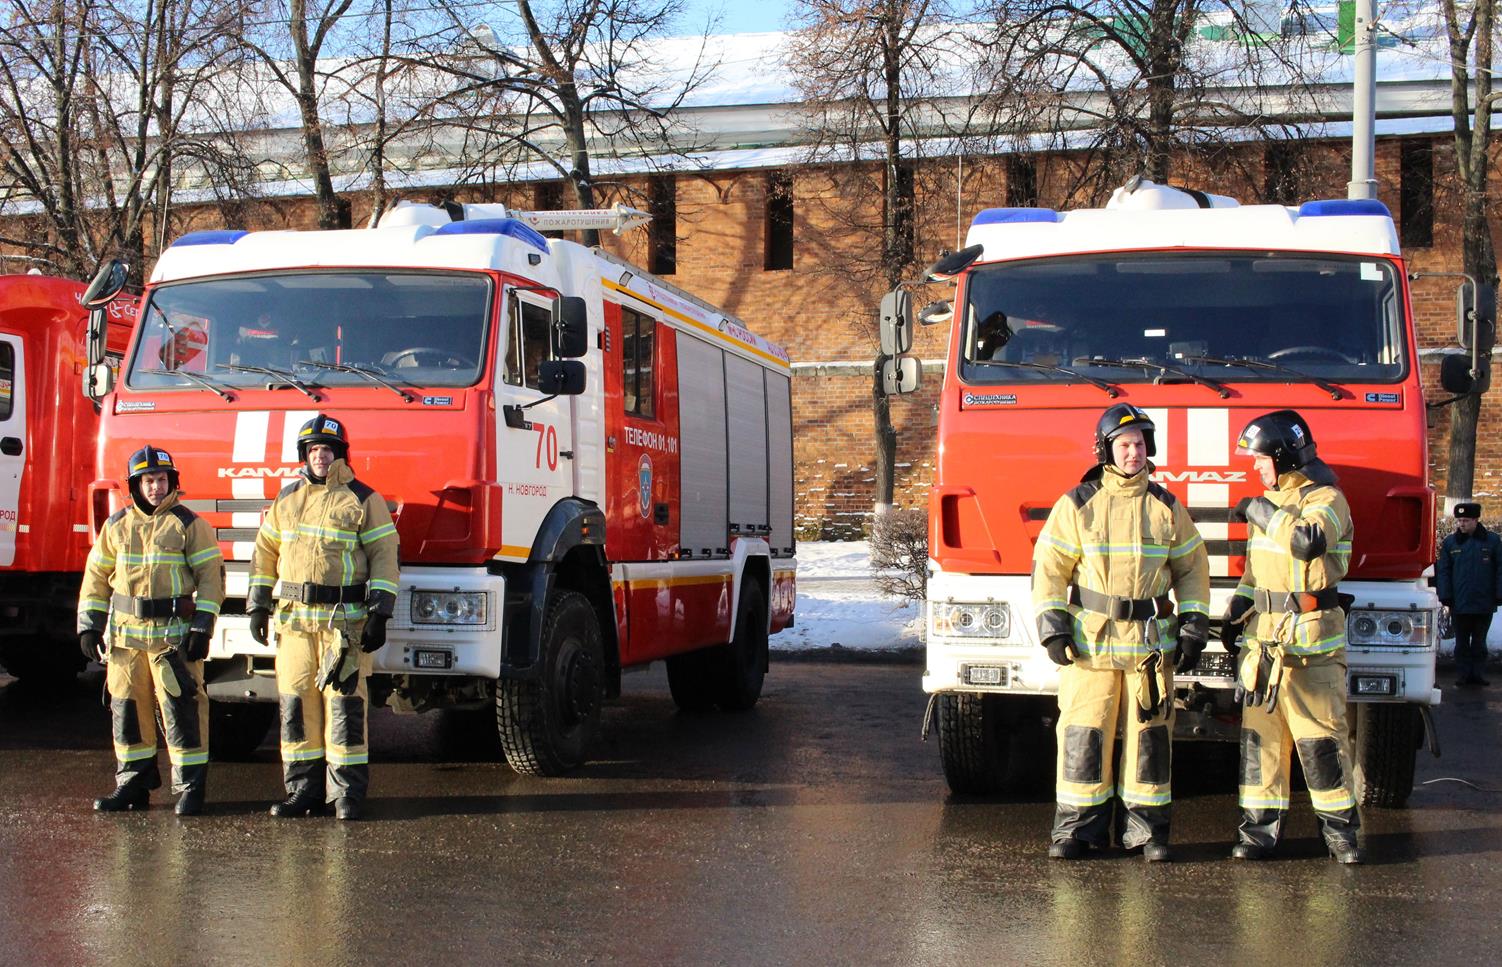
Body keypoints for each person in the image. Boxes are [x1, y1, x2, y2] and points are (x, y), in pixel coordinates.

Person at [1033, 403, 1210, 862]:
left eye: (1141, 444)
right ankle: (1077, 832)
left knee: (1149, 740)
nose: (1134, 453)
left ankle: (1147, 833)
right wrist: (1053, 626)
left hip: (1149, 647)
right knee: (1083, 734)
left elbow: (1192, 569)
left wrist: (1194, 624)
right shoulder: (1077, 504)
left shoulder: (1166, 507)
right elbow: (1050, 569)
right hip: (1091, 643)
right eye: (1125, 444)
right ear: (1107, 449)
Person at [1221, 409, 1362, 864]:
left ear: (1283, 457)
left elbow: (1308, 542)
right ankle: (1258, 835)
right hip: (1264, 647)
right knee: (1261, 745)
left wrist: (1264, 511)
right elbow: (1256, 571)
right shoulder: (1270, 501)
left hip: (1311, 647)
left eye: (1261, 458)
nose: (1255, 467)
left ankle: (1341, 836)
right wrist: (1239, 606)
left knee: (1321, 744)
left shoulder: (1327, 499)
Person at [247, 414, 398, 821]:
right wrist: (258, 603)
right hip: (295, 624)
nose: (320, 456)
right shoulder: (287, 500)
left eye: (327, 450)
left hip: (342, 627)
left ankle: (345, 795)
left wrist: (380, 612)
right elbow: (265, 553)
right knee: (297, 707)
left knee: (344, 709)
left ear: (340, 455)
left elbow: (384, 558)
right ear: (304, 455)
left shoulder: (364, 500)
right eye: (313, 450)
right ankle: (303, 792)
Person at [77, 445, 224, 815]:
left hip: (171, 641)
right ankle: (133, 784)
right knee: (127, 712)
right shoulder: (116, 526)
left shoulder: (190, 524)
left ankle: (190, 787)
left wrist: (203, 626)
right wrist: (90, 626)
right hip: (125, 642)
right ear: (135, 485)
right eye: (147, 481)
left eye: (161, 479)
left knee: (182, 713)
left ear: (172, 481)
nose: (155, 487)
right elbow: (96, 578)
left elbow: (211, 579)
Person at [1436, 502, 1500, 687]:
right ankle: (1464, 675)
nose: (1461, 524)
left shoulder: (1492, 541)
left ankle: (1478, 675)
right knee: (1462, 643)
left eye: (1465, 520)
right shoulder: (1451, 543)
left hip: (1483, 602)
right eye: (1459, 520)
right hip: (1460, 602)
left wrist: (1498, 594)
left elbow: (1500, 569)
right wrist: (1445, 595)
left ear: (1475, 520)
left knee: (1479, 642)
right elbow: (1444, 571)